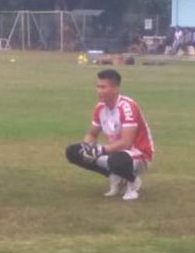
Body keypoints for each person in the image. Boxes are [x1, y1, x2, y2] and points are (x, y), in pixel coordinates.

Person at [65, 69, 154, 201]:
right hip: (115, 151)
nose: (99, 91)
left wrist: (100, 150)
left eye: (103, 87)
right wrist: (88, 148)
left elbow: (126, 143)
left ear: (115, 89)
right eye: (98, 86)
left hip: (138, 153)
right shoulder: (100, 107)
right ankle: (115, 176)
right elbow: (91, 134)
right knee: (73, 152)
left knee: (117, 160)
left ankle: (133, 182)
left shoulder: (127, 107)